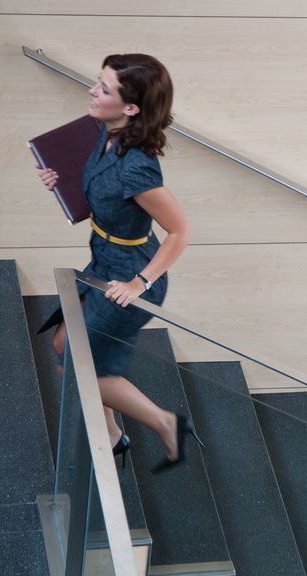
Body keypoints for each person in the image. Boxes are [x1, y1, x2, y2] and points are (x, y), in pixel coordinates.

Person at [35, 53, 197, 473]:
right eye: (98, 82)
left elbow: (180, 231)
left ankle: (166, 423)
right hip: (103, 258)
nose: (92, 91)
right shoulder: (102, 133)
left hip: (130, 275)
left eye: (104, 89)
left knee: (75, 359)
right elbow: (102, 194)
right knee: (63, 343)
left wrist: (139, 283)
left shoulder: (138, 168)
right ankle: (110, 432)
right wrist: (63, 183)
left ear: (131, 108)